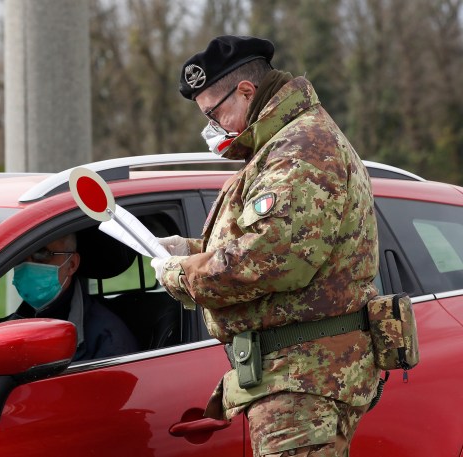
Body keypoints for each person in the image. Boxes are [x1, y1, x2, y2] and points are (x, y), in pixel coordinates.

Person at [151, 35, 380, 456]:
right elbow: (263, 238)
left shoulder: (301, 147)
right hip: (295, 377)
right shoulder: (280, 146)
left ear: (246, 91)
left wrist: (181, 274)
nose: (212, 128)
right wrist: (190, 248)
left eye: (214, 114)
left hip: (303, 380)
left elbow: (272, 260)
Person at [1, 233, 139, 361]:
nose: (28, 265)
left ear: (71, 264)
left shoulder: (107, 341)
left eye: (41, 253)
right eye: (20, 256)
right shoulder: (3, 330)